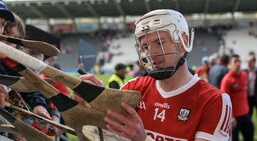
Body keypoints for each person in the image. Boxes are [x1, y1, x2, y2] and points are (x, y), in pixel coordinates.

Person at [79, 9, 232, 141]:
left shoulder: (215, 101)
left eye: (159, 42)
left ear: (183, 42)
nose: (150, 53)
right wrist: (94, 108)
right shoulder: (133, 89)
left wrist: (143, 139)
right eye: (145, 46)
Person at [220, 54, 254, 141]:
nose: (238, 63)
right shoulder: (226, 80)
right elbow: (224, 101)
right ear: (230, 64)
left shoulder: (244, 75)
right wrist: (231, 117)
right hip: (234, 118)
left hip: (246, 114)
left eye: (239, 61)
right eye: (235, 61)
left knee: (250, 136)